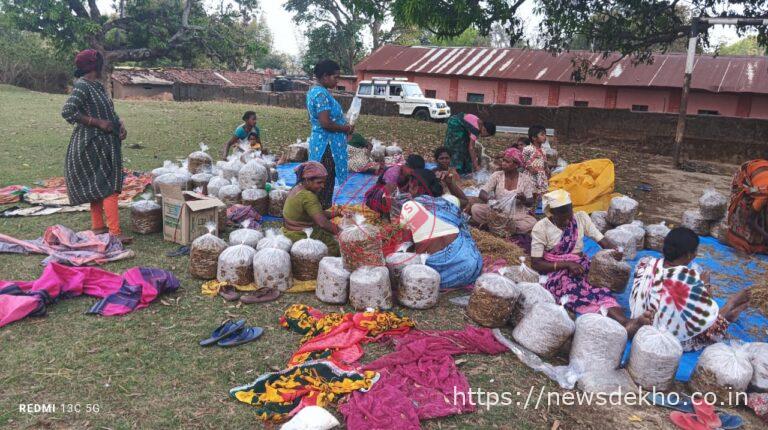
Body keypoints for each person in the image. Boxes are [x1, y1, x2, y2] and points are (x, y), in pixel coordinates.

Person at [530, 189, 649, 335]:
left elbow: (600, 239)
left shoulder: (580, 218)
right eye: (563, 218)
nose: (568, 221)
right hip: (555, 271)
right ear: (552, 214)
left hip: (580, 264)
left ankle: (626, 322)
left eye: (570, 214)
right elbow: (536, 263)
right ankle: (622, 323)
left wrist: (614, 250)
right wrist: (566, 264)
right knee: (577, 290)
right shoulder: (541, 228)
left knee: (599, 287)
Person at [630, 227, 751, 351]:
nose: (695, 254)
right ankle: (730, 307)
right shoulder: (687, 279)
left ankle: (728, 316)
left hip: (639, 324)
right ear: (689, 255)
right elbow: (705, 314)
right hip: (665, 337)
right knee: (711, 329)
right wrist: (706, 284)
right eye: (695, 251)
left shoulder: (645, 263)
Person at [61, 49, 130, 244]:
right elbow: (67, 111)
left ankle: (99, 228)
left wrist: (120, 124)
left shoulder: (97, 87)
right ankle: (115, 233)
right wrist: (97, 122)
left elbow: (109, 111)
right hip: (92, 143)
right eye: (100, 63)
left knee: (99, 184)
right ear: (94, 66)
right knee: (108, 187)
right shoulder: (82, 87)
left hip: (106, 142)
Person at [399, 169, 483, 289]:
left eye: (411, 184)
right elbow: (465, 201)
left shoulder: (409, 206)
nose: (409, 187)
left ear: (417, 187)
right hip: (467, 267)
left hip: (433, 274)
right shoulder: (449, 200)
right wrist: (450, 183)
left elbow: (406, 244)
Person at [306, 60, 353, 209]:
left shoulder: (317, 91)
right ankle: (321, 214)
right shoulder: (320, 94)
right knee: (323, 181)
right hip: (326, 145)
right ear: (325, 76)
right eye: (335, 77)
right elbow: (325, 123)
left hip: (323, 142)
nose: (337, 80)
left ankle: (318, 213)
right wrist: (345, 128)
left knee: (321, 180)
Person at [467, 147, 536, 234]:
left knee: (531, 222)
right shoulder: (497, 175)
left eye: (507, 162)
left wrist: (523, 199)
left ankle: (496, 226)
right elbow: (482, 192)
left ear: (516, 165)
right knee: (476, 208)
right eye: (503, 160)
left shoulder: (525, 179)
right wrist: (490, 199)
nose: (503, 163)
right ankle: (503, 228)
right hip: (497, 211)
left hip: (516, 215)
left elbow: (530, 201)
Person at [282, 161, 341, 256]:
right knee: (335, 245)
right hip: (300, 235)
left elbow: (317, 213)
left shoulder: (296, 188)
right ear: (307, 180)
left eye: (323, 182)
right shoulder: (308, 196)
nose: (323, 186)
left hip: (288, 231)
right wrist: (342, 232)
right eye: (319, 182)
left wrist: (335, 213)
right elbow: (322, 223)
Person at [726, 159, 768, 254]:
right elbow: (750, 220)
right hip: (745, 180)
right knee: (745, 205)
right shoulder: (763, 195)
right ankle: (741, 241)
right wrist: (765, 235)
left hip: (759, 180)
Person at [522, 125, 550, 200]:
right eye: (542, 134)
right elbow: (523, 161)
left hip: (541, 176)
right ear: (534, 137)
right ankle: (530, 209)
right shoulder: (528, 149)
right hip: (531, 175)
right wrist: (529, 168)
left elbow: (544, 161)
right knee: (531, 193)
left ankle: (536, 209)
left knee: (541, 195)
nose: (545, 137)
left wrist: (547, 169)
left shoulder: (543, 150)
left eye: (545, 134)